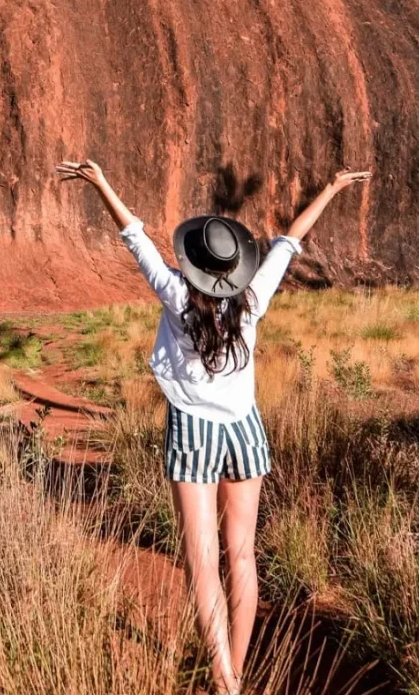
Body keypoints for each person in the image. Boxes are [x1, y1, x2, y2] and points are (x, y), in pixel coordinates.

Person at [55, 159, 372, 695]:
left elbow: (134, 236)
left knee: (203, 562)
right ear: (236, 267)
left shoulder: (178, 297)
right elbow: (291, 240)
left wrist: (101, 181)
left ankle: (223, 681)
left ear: (194, 265)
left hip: (195, 432)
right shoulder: (253, 299)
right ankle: (237, 675)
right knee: (242, 555)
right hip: (245, 432)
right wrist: (334, 188)